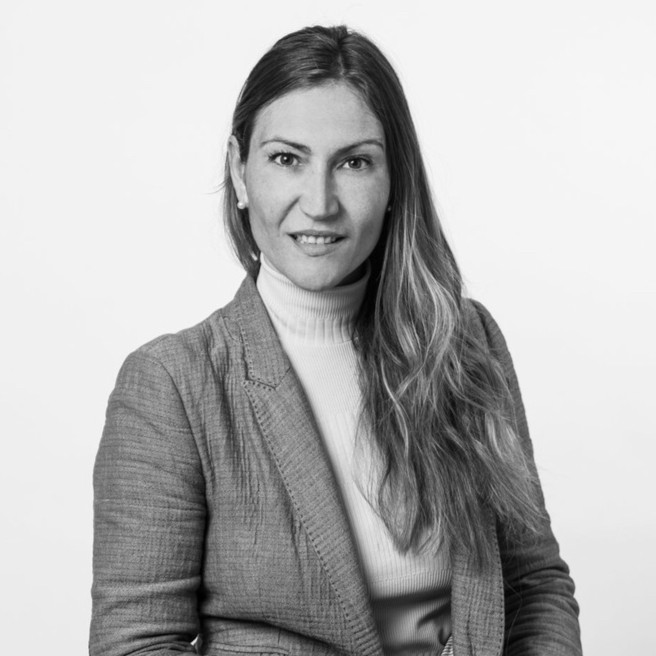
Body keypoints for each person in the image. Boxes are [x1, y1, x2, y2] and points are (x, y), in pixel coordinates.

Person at [91, 25, 582, 656]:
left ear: (394, 178)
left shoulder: (464, 343)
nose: (320, 203)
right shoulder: (172, 386)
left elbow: (535, 584)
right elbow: (136, 645)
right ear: (240, 172)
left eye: (354, 162)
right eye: (286, 159)